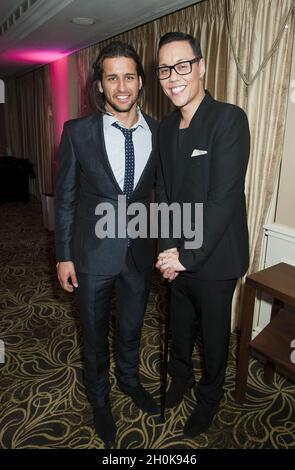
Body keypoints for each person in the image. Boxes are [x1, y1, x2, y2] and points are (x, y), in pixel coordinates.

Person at [55, 41, 158, 448]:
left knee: (132, 328)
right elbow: (65, 199)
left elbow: (160, 194)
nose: (121, 86)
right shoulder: (77, 132)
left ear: (140, 82)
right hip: (92, 256)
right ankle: (99, 401)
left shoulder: (160, 132)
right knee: (94, 335)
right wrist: (64, 256)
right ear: (99, 84)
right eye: (112, 77)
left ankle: (130, 381)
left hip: (139, 254)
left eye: (129, 77)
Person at [155, 32, 250, 438]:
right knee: (179, 327)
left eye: (182, 65)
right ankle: (180, 378)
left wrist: (185, 257)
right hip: (176, 254)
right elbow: (162, 193)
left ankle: (210, 397)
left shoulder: (229, 119)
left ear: (201, 66)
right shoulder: (163, 128)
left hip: (215, 258)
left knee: (213, 340)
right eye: (164, 69)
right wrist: (164, 250)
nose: (173, 76)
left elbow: (222, 201)